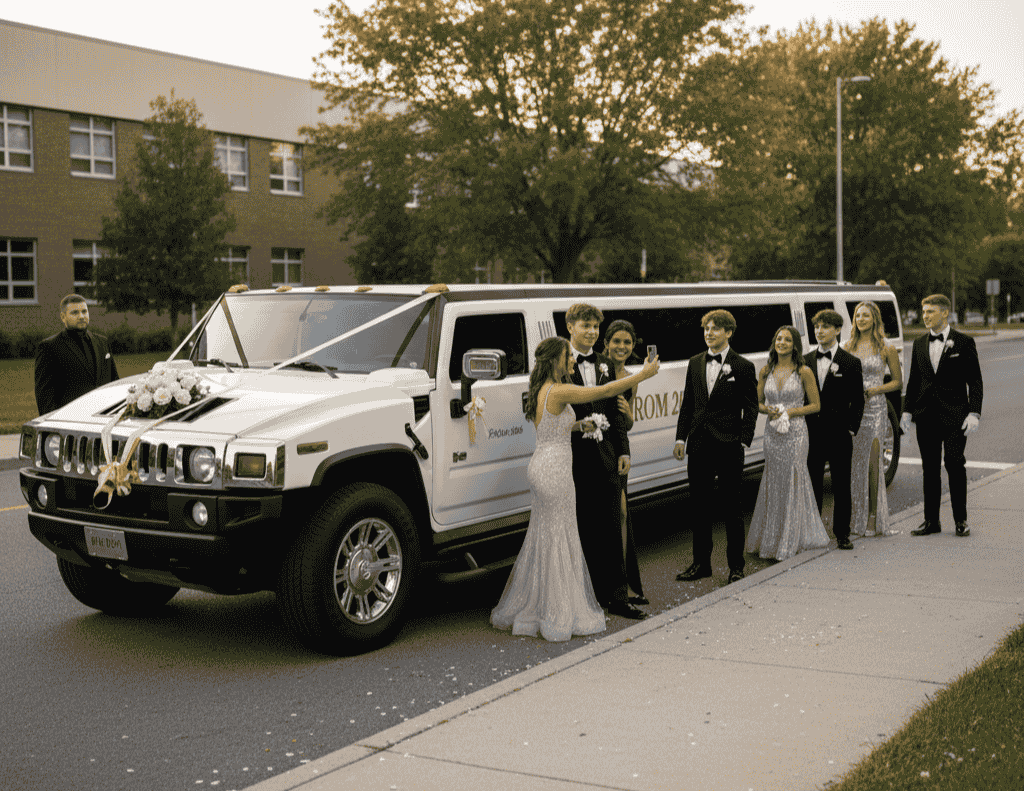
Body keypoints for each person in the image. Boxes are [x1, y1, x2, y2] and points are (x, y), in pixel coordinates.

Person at [490, 337, 660, 641]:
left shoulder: (543, 390)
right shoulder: (558, 390)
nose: (571, 360)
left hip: (543, 465)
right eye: (567, 356)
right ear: (555, 360)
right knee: (560, 536)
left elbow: (551, 426)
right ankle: (556, 611)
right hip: (555, 471)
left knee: (547, 536)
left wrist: (579, 426)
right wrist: (642, 375)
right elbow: (604, 391)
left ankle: (543, 604)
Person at [564, 304, 648, 620]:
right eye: (585, 325)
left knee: (612, 528)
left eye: (595, 327)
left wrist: (624, 451)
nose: (591, 332)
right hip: (570, 459)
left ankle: (617, 598)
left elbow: (615, 411)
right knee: (582, 529)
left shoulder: (606, 364)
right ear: (570, 326)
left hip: (608, 457)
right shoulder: (559, 362)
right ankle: (587, 596)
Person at [673, 309, 758, 583]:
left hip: (729, 445)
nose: (709, 333)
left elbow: (751, 407)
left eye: (715, 328)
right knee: (700, 507)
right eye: (706, 328)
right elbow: (688, 404)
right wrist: (681, 438)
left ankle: (736, 566)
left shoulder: (743, 366)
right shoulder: (695, 362)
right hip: (698, 444)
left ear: (728, 332)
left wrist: (743, 439)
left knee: (732, 507)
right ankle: (701, 564)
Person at [746, 326, 831, 560]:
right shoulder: (766, 371)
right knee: (774, 480)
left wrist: (791, 412)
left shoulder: (804, 372)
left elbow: (816, 405)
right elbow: (757, 402)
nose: (782, 342)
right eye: (779, 339)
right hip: (772, 434)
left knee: (794, 477)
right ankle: (772, 537)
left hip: (796, 433)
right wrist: (768, 410)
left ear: (795, 345)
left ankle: (791, 537)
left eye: (787, 339)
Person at [901, 294, 983, 537]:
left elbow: (975, 381)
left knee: (955, 464)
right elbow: (914, 381)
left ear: (945, 313)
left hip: (955, 415)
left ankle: (961, 520)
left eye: (930, 311)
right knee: (929, 469)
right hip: (926, 416)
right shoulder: (919, 343)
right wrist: (907, 411)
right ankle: (931, 521)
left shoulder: (964, 342)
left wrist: (974, 413)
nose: (925, 316)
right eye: (924, 311)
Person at [804, 309, 865, 550]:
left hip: (839, 433)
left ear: (838, 330)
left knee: (841, 484)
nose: (819, 331)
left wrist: (851, 428)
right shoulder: (805, 360)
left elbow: (857, 400)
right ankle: (814, 531)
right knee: (812, 483)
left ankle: (842, 533)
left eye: (825, 327)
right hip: (811, 433)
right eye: (817, 327)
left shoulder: (850, 362)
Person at [845, 302, 904, 536]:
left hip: (876, 409)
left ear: (875, 319)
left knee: (873, 465)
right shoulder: (847, 346)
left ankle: (873, 519)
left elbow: (897, 382)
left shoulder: (886, 347)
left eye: (866, 315)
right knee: (855, 465)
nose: (861, 319)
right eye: (858, 315)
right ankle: (855, 519)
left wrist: (876, 389)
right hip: (853, 410)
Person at [603, 319, 647, 605]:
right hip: (596, 446)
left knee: (621, 513)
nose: (622, 347)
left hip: (619, 449)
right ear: (606, 343)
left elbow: (628, 423)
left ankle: (625, 581)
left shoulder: (632, 377)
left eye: (627, 342)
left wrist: (629, 414)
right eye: (616, 341)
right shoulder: (598, 370)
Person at [34, 294, 119, 415]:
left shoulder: (102, 342)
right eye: (75, 313)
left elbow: (114, 383)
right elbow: (44, 396)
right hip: (71, 419)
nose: (81, 316)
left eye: (84, 311)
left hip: (105, 416)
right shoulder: (49, 347)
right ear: (63, 317)